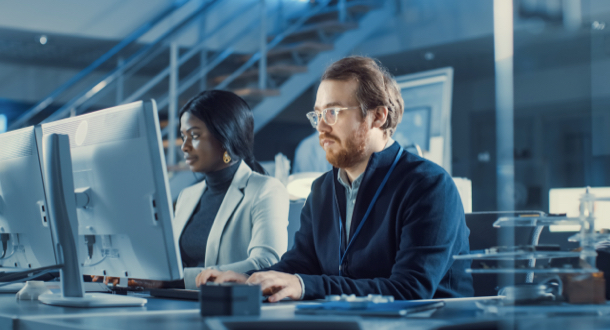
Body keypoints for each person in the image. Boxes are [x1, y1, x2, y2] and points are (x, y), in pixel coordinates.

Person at [195, 56, 473, 302]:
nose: (321, 127)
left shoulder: (428, 185)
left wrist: (304, 285)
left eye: (332, 112)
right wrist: (252, 280)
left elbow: (410, 290)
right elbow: (300, 264)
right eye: (317, 115)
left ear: (377, 116)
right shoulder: (323, 189)